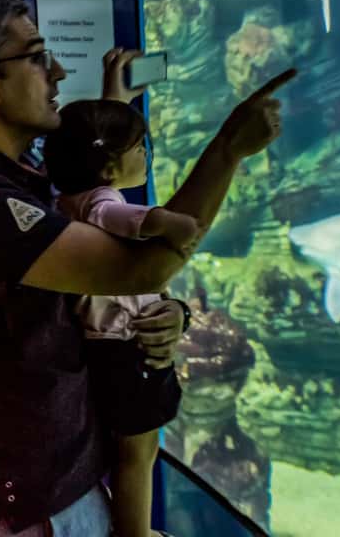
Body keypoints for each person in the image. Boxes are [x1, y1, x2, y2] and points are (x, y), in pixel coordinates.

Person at [0, 0, 295, 537]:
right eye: (36, 56)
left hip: (46, 485)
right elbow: (138, 270)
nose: (58, 72)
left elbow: (96, 254)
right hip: (15, 510)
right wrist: (228, 148)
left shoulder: (20, 175)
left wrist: (166, 314)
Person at [42, 97, 198, 537]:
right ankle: (137, 533)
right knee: (139, 451)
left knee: (128, 449)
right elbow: (117, 216)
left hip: (102, 344)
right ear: (109, 168)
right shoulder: (100, 201)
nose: (146, 155)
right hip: (125, 343)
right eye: (139, 148)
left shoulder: (64, 201)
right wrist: (168, 222)